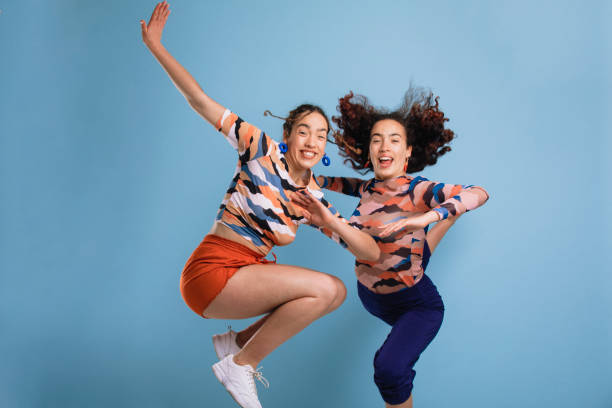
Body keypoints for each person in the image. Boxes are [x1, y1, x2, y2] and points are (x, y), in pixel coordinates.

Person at [139, 3, 380, 408]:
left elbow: (369, 252)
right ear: (287, 135)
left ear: (324, 148)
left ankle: (237, 345)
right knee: (327, 289)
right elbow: (199, 100)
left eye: (320, 136)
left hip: (248, 274)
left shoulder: (312, 201)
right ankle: (240, 364)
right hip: (212, 270)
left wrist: (328, 221)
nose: (311, 140)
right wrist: (155, 46)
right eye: (303, 131)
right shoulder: (259, 149)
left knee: (334, 294)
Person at [309, 89, 490, 407]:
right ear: (369, 150)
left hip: (415, 304)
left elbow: (479, 192)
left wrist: (429, 218)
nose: (383, 145)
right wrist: (309, 179)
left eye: (394, 139)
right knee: (408, 250)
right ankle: (446, 223)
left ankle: (446, 220)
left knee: (389, 371)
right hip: (372, 294)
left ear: (407, 152)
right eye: (377, 139)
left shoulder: (418, 190)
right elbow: (332, 182)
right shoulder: (366, 187)